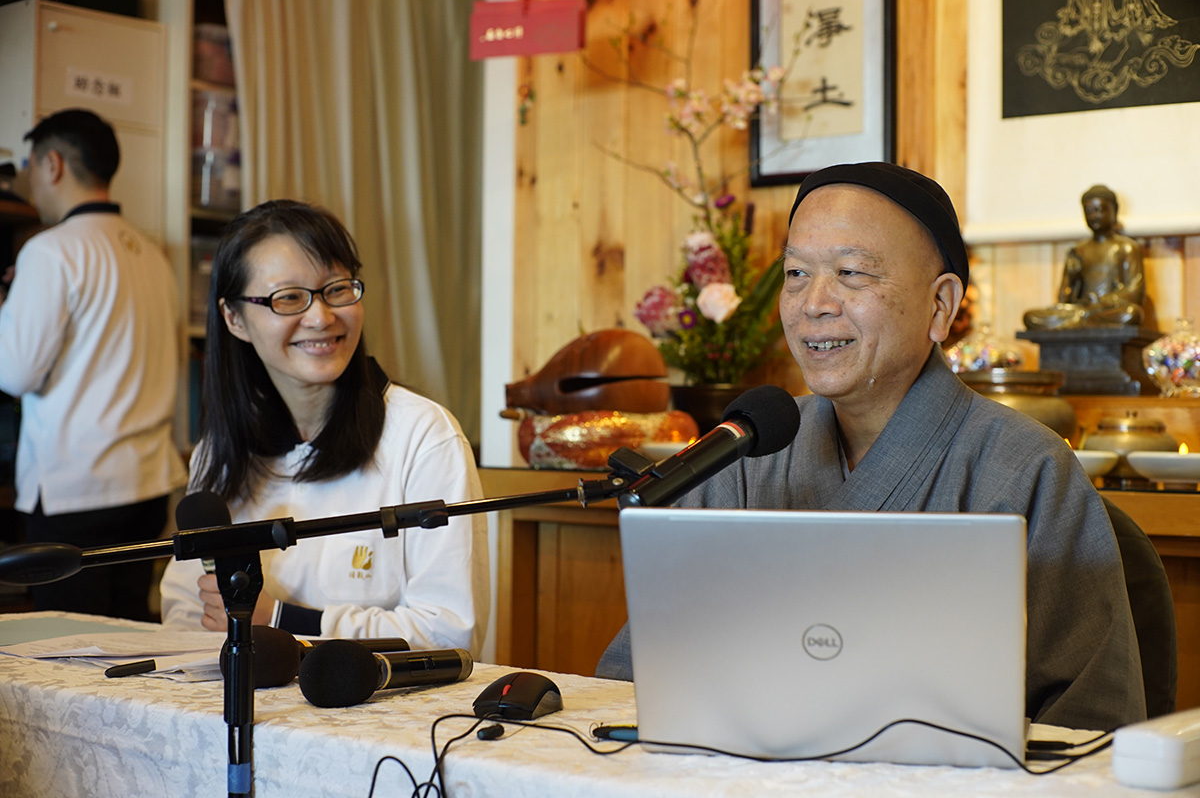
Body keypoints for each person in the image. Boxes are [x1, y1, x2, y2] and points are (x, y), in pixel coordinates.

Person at [597, 162, 1146, 732]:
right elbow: (636, 681)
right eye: (795, 273)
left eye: (851, 273)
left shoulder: (1027, 469)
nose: (814, 303)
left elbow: (1093, 725)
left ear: (941, 306)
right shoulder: (744, 454)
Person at [158, 200, 489, 656]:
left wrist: (284, 621)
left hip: (374, 700)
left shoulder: (424, 437)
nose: (320, 317)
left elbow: (451, 633)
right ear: (234, 318)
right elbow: (184, 608)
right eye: (289, 298)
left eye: (336, 289)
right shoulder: (220, 449)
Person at [0, 109, 186, 621]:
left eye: (30, 166)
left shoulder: (50, 251)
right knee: (129, 632)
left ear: (53, 164)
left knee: (69, 643)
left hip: (74, 487)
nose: (29, 181)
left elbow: (14, 372)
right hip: (146, 483)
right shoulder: (152, 254)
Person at [1023, 184, 1145, 330]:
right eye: (1088, 211)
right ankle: (1083, 320)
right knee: (1031, 317)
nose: (1093, 216)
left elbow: (1135, 292)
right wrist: (1072, 278)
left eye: (1099, 210)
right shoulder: (1078, 250)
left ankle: (1080, 321)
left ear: (1114, 210)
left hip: (1105, 309)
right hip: (1081, 309)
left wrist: (1101, 301)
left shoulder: (1127, 247)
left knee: (1131, 313)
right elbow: (1063, 300)